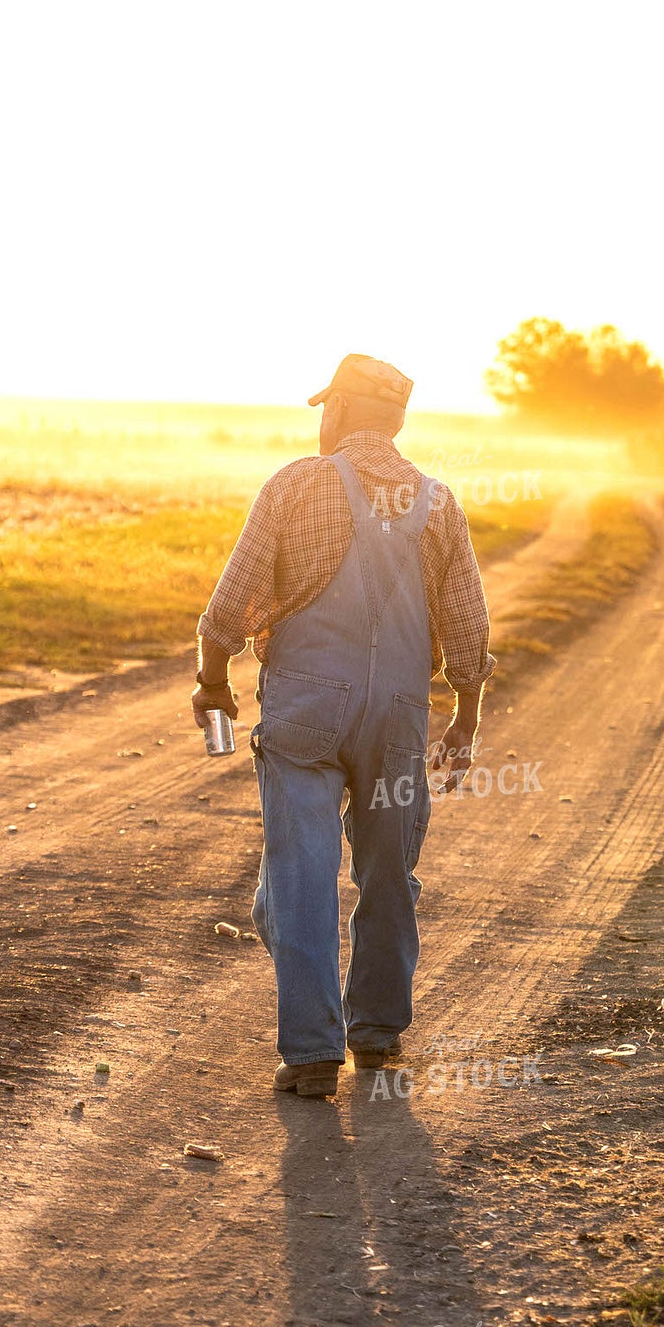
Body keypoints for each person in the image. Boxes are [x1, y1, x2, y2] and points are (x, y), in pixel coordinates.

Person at [192, 354, 495, 1098]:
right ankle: (379, 1036)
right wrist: (465, 720)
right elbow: (468, 629)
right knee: (389, 870)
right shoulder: (439, 503)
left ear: (344, 411)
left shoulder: (297, 483)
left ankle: (312, 1053)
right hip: (397, 716)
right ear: (395, 422)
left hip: (306, 711)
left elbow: (231, 603)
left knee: (299, 875)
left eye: (327, 406)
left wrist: (211, 681)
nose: (320, 419)